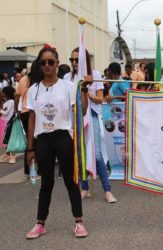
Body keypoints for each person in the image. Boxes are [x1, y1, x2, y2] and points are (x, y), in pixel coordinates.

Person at [25, 46, 89, 239]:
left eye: (50, 62)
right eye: (43, 62)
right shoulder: (33, 89)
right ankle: (40, 224)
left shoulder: (68, 87)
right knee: (47, 183)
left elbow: (82, 111)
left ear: (56, 63)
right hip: (43, 139)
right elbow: (31, 119)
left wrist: (84, 91)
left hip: (62, 137)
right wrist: (30, 148)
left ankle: (79, 222)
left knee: (71, 181)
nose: (46, 66)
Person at [64, 47, 117, 203]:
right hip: (75, 117)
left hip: (92, 115)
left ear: (84, 60)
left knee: (97, 154)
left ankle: (107, 190)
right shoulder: (67, 77)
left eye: (77, 59)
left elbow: (101, 99)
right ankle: (85, 188)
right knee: (80, 154)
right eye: (71, 59)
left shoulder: (95, 75)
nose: (74, 62)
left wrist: (88, 94)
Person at [15, 60, 42, 175]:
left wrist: (16, 110)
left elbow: (17, 95)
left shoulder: (24, 79)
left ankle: (28, 169)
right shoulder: (40, 81)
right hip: (36, 113)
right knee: (38, 140)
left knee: (29, 141)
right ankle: (39, 169)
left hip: (24, 112)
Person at [0, 86, 16, 163]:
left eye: (2, 92)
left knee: (9, 139)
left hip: (7, 122)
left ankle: (12, 156)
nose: (1, 93)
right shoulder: (8, 101)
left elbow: (5, 113)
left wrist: (0, 110)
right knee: (6, 139)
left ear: (6, 93)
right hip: (4, 121)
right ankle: (8, 154)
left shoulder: (11, 102)